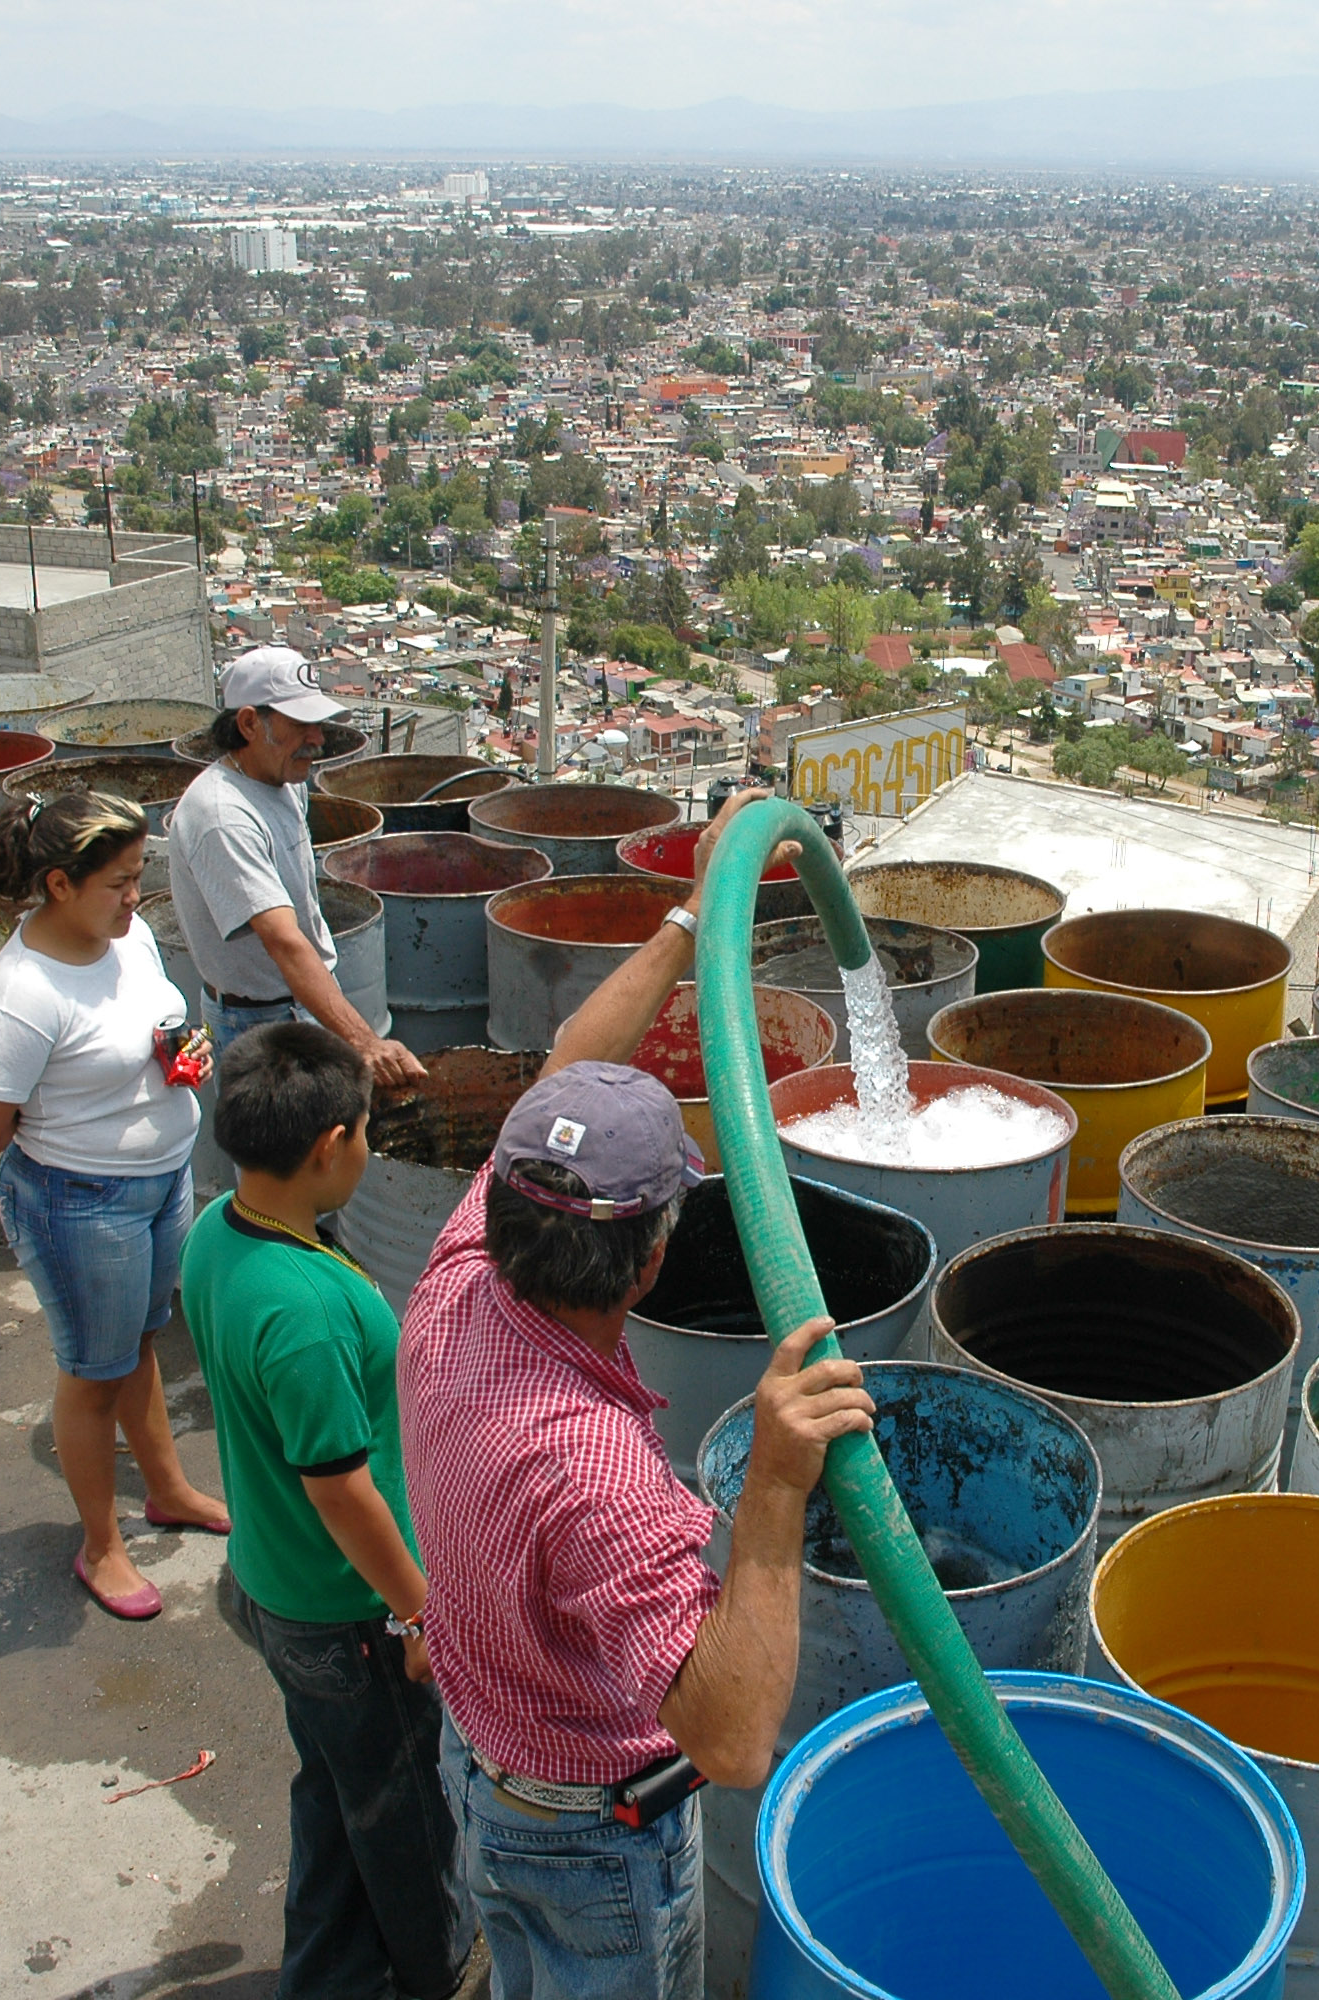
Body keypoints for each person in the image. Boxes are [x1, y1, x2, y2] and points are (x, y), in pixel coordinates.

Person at [397, 786, 870, 2000]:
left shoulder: (456, 1277)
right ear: (655, 1256)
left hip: (483, 1759)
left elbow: (565, 1069)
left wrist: (687, 918)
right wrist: (771, 1488)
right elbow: (727, 1738)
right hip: (587, 1837)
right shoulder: (596, 1473)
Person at [182, 1021, 471, 1999]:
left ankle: (325, 1972)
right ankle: (433, 1975)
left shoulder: (217, 1231)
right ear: (327, 1148)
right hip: (343, 1611)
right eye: (363, 1131)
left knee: (335, 1786)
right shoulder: (303, 1310)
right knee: (403, 1814)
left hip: (272, 1581)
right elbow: (340, 1487)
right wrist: (417, 1607)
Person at [0, 789, 230, 1623]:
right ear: (60, 885)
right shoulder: (24, 997)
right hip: (79, 1201)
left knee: (140, 1340)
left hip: (158, 1179)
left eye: (140, 876)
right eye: (119, 881)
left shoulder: (127, 937)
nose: (135, 897)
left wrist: (182, 1050)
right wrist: (60, 1111)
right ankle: (101, 1543)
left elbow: (148, 1022)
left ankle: (169, 1488)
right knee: (91, 1374)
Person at [171, 645, 422, 1088]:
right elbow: (285, 942)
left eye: (318, 723)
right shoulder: (223, 816)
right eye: (301, 725)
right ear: (249, 723)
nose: (318, 738)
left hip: (302, 1002)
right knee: (279, 1155)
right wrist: (364, 1043)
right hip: (255, 1023)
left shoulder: (283, 782)